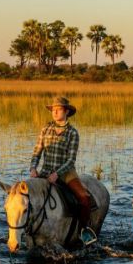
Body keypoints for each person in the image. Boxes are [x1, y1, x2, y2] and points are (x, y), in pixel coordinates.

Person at [29, 96, 96, 246]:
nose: (55, 112)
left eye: (58, 110)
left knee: (84, 198)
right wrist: (33, 168)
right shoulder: (45, 129)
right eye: (53, 110)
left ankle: (84, 230)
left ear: (66, 112)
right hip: (45, 170)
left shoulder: (73, 133)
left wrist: (57, 173)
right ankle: (26, 229)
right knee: (26, 197)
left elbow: (71, 160)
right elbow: (37, 152)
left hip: (66, 172)